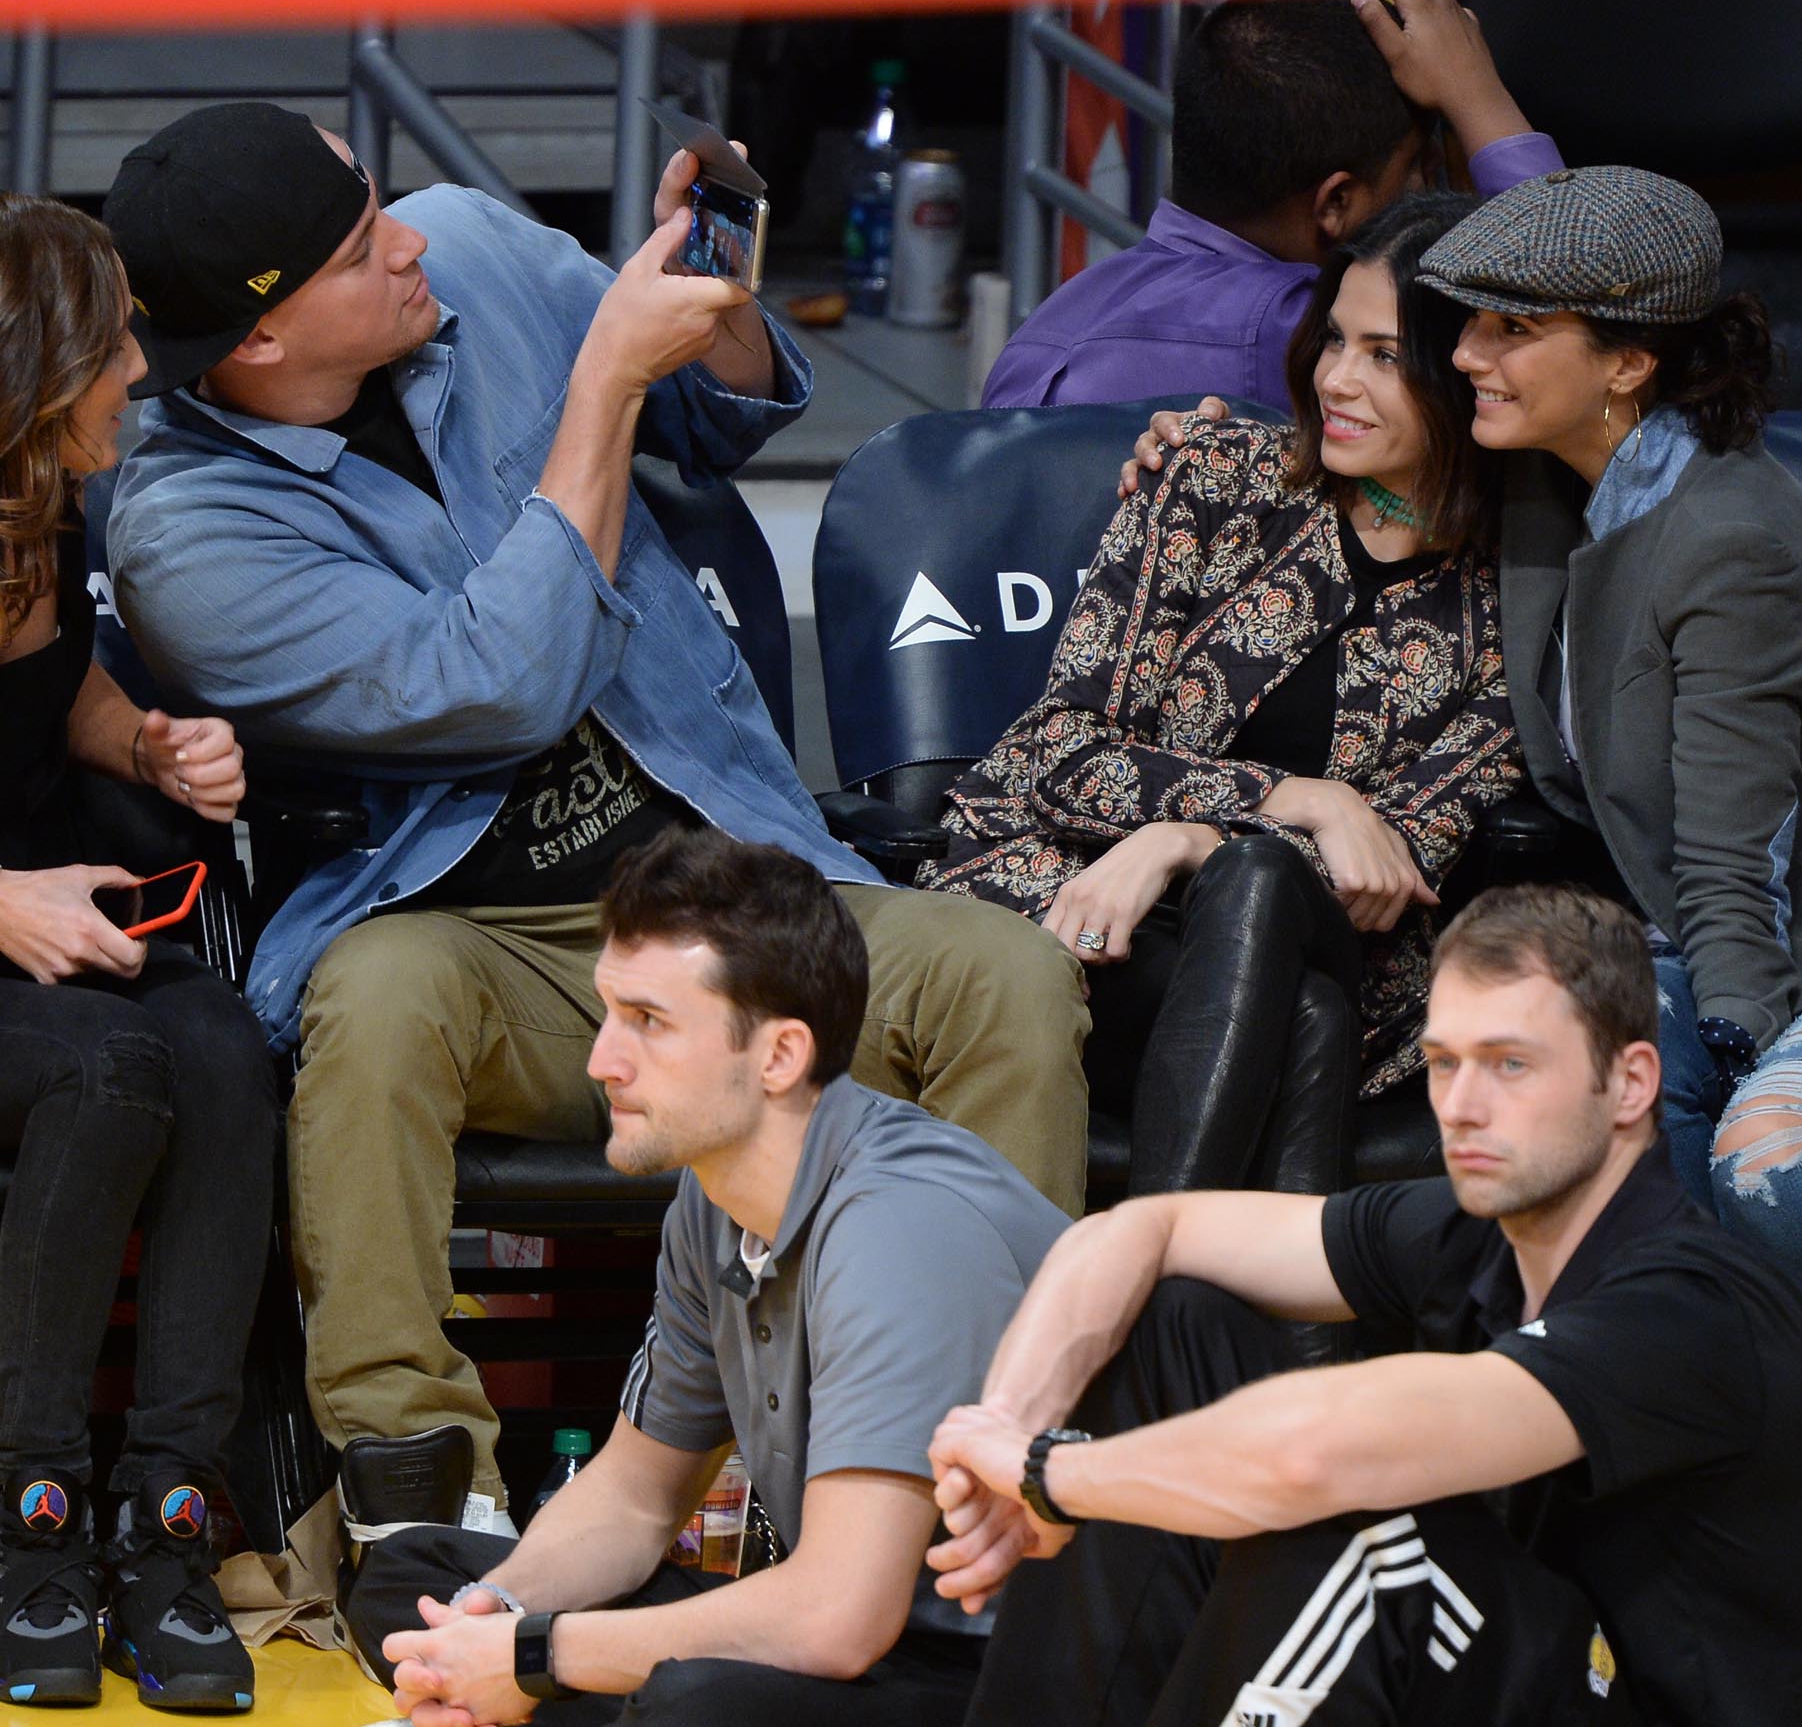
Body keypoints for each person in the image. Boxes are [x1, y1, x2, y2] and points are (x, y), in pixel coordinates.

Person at [98, 103, 1090, 1537]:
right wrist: (603, 380)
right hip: (493, 948)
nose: (407, 241)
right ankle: (418, 1489)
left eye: (377, 199)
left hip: (735, 891)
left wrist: (711, 314)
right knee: (367, 1009)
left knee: (1005, 974)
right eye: (359, 244)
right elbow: (501, 686)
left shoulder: (476, 252)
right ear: (258, 339)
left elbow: (713, 412)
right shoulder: (188, 534)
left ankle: (952, 1455)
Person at [927, 884, 1802, 1727]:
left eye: (1510, 1064)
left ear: (1631, 1083)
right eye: (1443, 1062)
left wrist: (1056, 1475)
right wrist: (1004, 1436)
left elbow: (1317, 1453)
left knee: (1380, 1536)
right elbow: (1141, 1232)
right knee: (1175, 1322)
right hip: (1536, 1675)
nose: (1461, 1106)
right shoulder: (1477, 1232)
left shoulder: (1686, 1302)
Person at [1411, 166, 1802, 1429]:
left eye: (1509, 329)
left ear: (1627, 365)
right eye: (1468, 322)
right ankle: (1751, 1479)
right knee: (1585, 1137)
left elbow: (1727, 850)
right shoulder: (1560, 495)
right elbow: (1361, 467)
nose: (1466, 355)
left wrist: (1732, 1037)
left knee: (1770, 1168)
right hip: (1719, 957)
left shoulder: (1726, 536)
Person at [344, 828, 1070, 1727]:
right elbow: (635, 1497)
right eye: (609, 1013)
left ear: (778, 1056)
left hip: (1000, 1675)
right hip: (854, 1643)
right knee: (416, 1581)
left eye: (647, 1022)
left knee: (696, 1703)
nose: (602, 1059)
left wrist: (535, 1659)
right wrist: (487, 1624)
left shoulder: (901, 1229)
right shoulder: (713, 1196)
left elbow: (840, 1620)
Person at [923, 190, 1520, 1199]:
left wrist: (1185, 843)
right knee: (1300, 1024)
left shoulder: (1519, 596)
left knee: (1293, 995)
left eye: (1384, 355)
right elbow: (1058, 752)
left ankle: (1159, 1303)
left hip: (1316, 954)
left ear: (1465, 377)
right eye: (1332, 339)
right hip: (1069, 906)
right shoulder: (1214, 476)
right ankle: (1217, 1327)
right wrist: (1301, 800)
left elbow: (1395, 868)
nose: (1335, 379)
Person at [0, 194, 274, 1711]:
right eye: (114, 343)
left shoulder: (44, 505)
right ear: (40, 354)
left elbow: (60, 695)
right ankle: (27, 1515)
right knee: (112, 1068)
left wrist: (155, 748)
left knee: (226, 1049)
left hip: (41, 912)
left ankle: (166, 1515)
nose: (140, 374)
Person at [980, 0, 1562, 415]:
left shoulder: (1065, 310)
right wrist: (1478, 98)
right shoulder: (1298, 326)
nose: (1433, 188)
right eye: (1418, 169)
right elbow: (1565, 314)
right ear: (1334, 204)